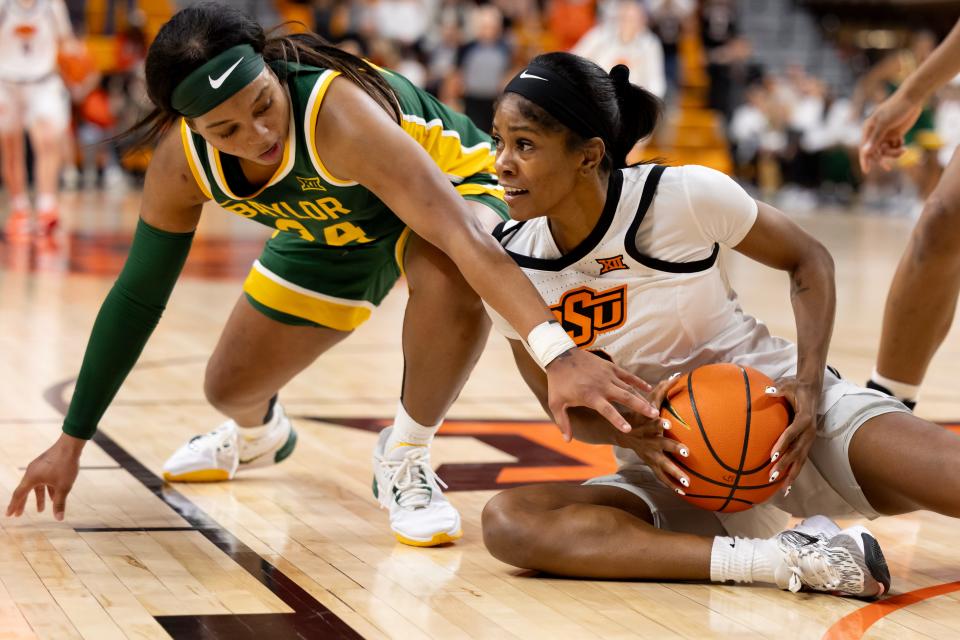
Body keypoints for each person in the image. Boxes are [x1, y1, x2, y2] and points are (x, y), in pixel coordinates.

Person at [4, 4, 660, 547]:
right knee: (227, 388)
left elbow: (460, 234)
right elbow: (138, 296)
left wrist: (559, 352)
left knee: (453, 267)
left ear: (270, 71)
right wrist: (72, 439)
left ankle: (404, 456)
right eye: (225, 128)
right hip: (334, 225)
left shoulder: (335, 114)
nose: (258, 133)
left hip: (448, 192)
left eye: (263, 103)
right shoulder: (181, 166)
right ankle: (260, 436)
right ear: (191, 128)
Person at [479, 52, 960, 597]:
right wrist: (633, 437)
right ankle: (782, 560)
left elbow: (809, 260)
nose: (502, 162)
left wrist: (807, 383)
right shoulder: (511, 270)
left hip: (791, 418)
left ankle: (805, 510)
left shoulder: (679, 196)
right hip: (678, 467)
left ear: (588, 156)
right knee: (509, 521)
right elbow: (566, 409)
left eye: (524, 144)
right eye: (498, 141)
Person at [860, 19, 960, 410]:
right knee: (942, 216)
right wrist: (910, 93)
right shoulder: (899, 62)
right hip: (924, 126)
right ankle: (885, 404)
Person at [0, 0, 75, 238]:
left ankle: (46, 206)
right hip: (6, 82)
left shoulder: (53, 5)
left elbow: (66, 41)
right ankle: (19, 208)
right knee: (11, 146)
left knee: (47, 141)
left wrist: (75, 55)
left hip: (44, 81)